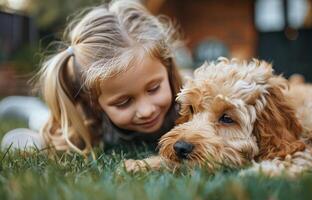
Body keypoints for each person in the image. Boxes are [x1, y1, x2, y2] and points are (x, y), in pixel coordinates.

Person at [1, 0, 183, 156]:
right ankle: (30, 108)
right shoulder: (89, 123)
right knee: (43, 119)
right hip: (76, 120)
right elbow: (49, 140)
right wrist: (33, 141)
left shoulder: (188, 103)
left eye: (153, 89)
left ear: (168, 70)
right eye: (123, 102)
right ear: (94, 103)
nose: (146, 111)